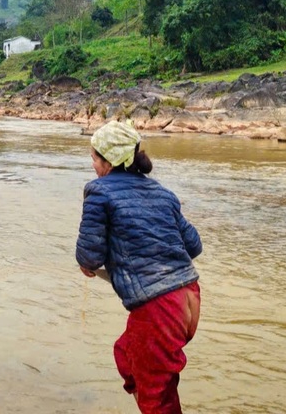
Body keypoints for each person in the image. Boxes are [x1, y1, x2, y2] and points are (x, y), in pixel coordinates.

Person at [76, 120, 202, 414]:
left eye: (94, 158)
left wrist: (91, 263)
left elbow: (89, 256)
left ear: (108, 161)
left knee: (155, 397)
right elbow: (194, 246)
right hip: (189, 299)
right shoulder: (162, 193)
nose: (92, 165)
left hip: (159, 307)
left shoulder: (99, 192)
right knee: (127, 356)